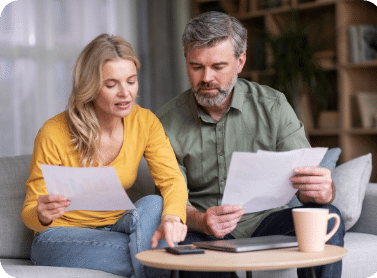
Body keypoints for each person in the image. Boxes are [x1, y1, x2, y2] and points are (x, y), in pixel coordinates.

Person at [156, 11, 345, 278]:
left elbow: (305, 188)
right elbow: (171, 200)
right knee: (190, 255)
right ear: (186, 60)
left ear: (240, 61)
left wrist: (324, 191)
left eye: (218, 66)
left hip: (267, 220)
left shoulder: (274, 106)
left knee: (327, 216)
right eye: (196, 66)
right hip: (201, 226)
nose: (206, 77)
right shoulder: (165, 122)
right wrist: (201, 220)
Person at [21, 34, 188, 278]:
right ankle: (155, 263)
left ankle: (151, 261)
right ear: (90, 87)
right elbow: (29, 209)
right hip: (57, 237)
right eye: (111, 85)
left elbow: (172, 180)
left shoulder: (145, 122)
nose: (125, 93)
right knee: (156, 254)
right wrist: (41, 214)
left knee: (155, 204)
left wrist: (173, 218)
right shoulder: (53, 132)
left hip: (117, 227)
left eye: (131, 81)